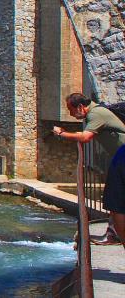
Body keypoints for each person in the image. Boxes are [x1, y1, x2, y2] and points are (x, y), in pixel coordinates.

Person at [53, 93, 125, 246]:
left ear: (80, 106)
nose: (71, 114)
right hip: (120, 161)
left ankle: (113, 236)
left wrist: (61, 133)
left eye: (71, 109)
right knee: (116, 200)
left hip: (122, 161)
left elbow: (85, 137)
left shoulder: (95, 114)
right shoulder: (95, 113)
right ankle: (113, 234)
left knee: (115, 200)